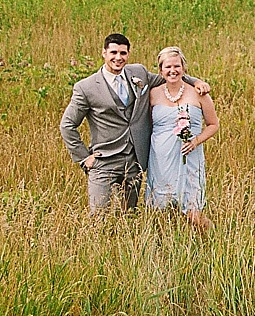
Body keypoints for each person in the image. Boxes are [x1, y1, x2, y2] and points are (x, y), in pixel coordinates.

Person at [61, 33, 209, 212]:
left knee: (129, 214)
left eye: (123, 53)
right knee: (99, 216)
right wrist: (84, 157)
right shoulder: (86, 87)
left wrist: (196, 81)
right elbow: (67, 125)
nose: (118, 58)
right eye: (113, 52)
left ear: (128, 54)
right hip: (103, 162)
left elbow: (169, 75)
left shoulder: (138, 73)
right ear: (104, 53)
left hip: (134, 161)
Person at [146, 46, 219, 231]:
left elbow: (213, 125)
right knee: (162, 212)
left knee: (193, 213)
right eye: (167, 67)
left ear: (184, 68)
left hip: (189, 159)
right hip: (161, 160)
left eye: (177, 66)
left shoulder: (198, 93)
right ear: (160, 70)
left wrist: (195, 141)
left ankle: (215, 240)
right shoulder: (152, 94)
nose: (173, 71)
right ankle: (168, 251)